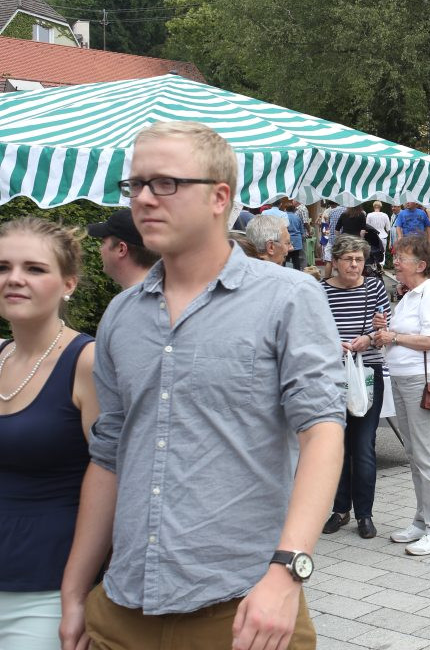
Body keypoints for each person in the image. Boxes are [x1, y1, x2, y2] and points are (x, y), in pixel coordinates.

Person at [59, 121, 345, 650]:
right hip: (121, 610)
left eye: (165, 183)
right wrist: (75, 593)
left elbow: (323, 432)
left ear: (219, 197)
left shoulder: (288, 298)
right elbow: (108, 456)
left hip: (241, 611)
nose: (144, 198)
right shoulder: (122, 315)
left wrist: (288, 572)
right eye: (135, 185)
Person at [0, 218, 98, 650]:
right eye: (3, 266)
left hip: (47, 590)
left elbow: (113, 478)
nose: (14, 278)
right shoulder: (0, 355)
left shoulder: (88, 362)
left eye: (34, 269)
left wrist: (80, 596)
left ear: (68, 284)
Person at [372, 234, 430, 556]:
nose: (396, 264)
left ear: (420, 265)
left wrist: (394, 336)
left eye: (401, 259)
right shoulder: (411, 295)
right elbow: (403, 334)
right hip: (405, 380)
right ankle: (422, 521)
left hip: (419, 381)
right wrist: (387, 328)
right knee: (416, 456)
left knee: (427, 457)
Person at [320, 236, 391, 540]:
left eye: (359, 259)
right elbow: (310, 330)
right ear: (334, 261)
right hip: (331, 375)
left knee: (363, 446)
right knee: (335, 446)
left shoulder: (374, 287)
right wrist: (333, 345)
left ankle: (364, 513)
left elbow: (385, 329)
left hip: (367, 374)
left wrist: (371, 337)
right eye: (348, 259)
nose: (354, 264)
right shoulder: (320, 291)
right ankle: (339, 509)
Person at [87, 207, 160, 289]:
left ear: (121, 249)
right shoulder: (165, 294)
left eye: (103, 243)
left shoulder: (132, 300)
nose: (100, 249)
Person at [264, 198, 305, 270]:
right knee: (293, 260)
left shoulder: (264, 213)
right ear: (280, 204)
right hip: (281, 241)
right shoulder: (284, 214)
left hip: (266, 240)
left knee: (269, 261)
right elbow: (286, 228)